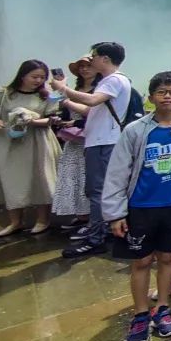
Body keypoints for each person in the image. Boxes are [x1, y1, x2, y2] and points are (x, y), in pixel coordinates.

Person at [102, 71, 171, 341]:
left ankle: (162, 307)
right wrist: (115, 212)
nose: (167, 97)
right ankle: (140, 314)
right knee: (140, 261)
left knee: (167, 258)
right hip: (141, 206)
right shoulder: (135, 131)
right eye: (161, 92)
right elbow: (117, 172)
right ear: (150, 97)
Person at [50, 41, 132, 258]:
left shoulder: (114, 79)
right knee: (98, 190)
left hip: (105, 142)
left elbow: (93, 101)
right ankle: (104, 232)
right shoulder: (109, 81)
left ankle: (97, 238)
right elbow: (89, 110)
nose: (91, 59)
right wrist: (66, 100)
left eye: (94, 55)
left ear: (105, 59)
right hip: (99, 140)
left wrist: (61, 88)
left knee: (98, 191)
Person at [0, 59, 60, 236]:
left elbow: (52, 119)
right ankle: (15, 222)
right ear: (22, 75)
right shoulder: (6, 93)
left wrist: (33, 121)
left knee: (41, 178)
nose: (38, 81)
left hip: (38, 141)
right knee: (11, 180)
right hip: (9, 143)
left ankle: (42, 220)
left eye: (42, 77)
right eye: (34, 76)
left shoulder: (47, 95)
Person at [51, 55, 100, 228]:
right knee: (73, 178)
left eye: (88, 66)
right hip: (73, 142)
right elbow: (67, 113)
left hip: (92, 140)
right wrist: (60, 121)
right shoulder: (76, 88)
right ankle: (81, 215)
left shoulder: (101, 90)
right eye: (81, 67)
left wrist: (76, 122)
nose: (84, 69)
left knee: (89, 179)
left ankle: (93, 219)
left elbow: (97, 115)